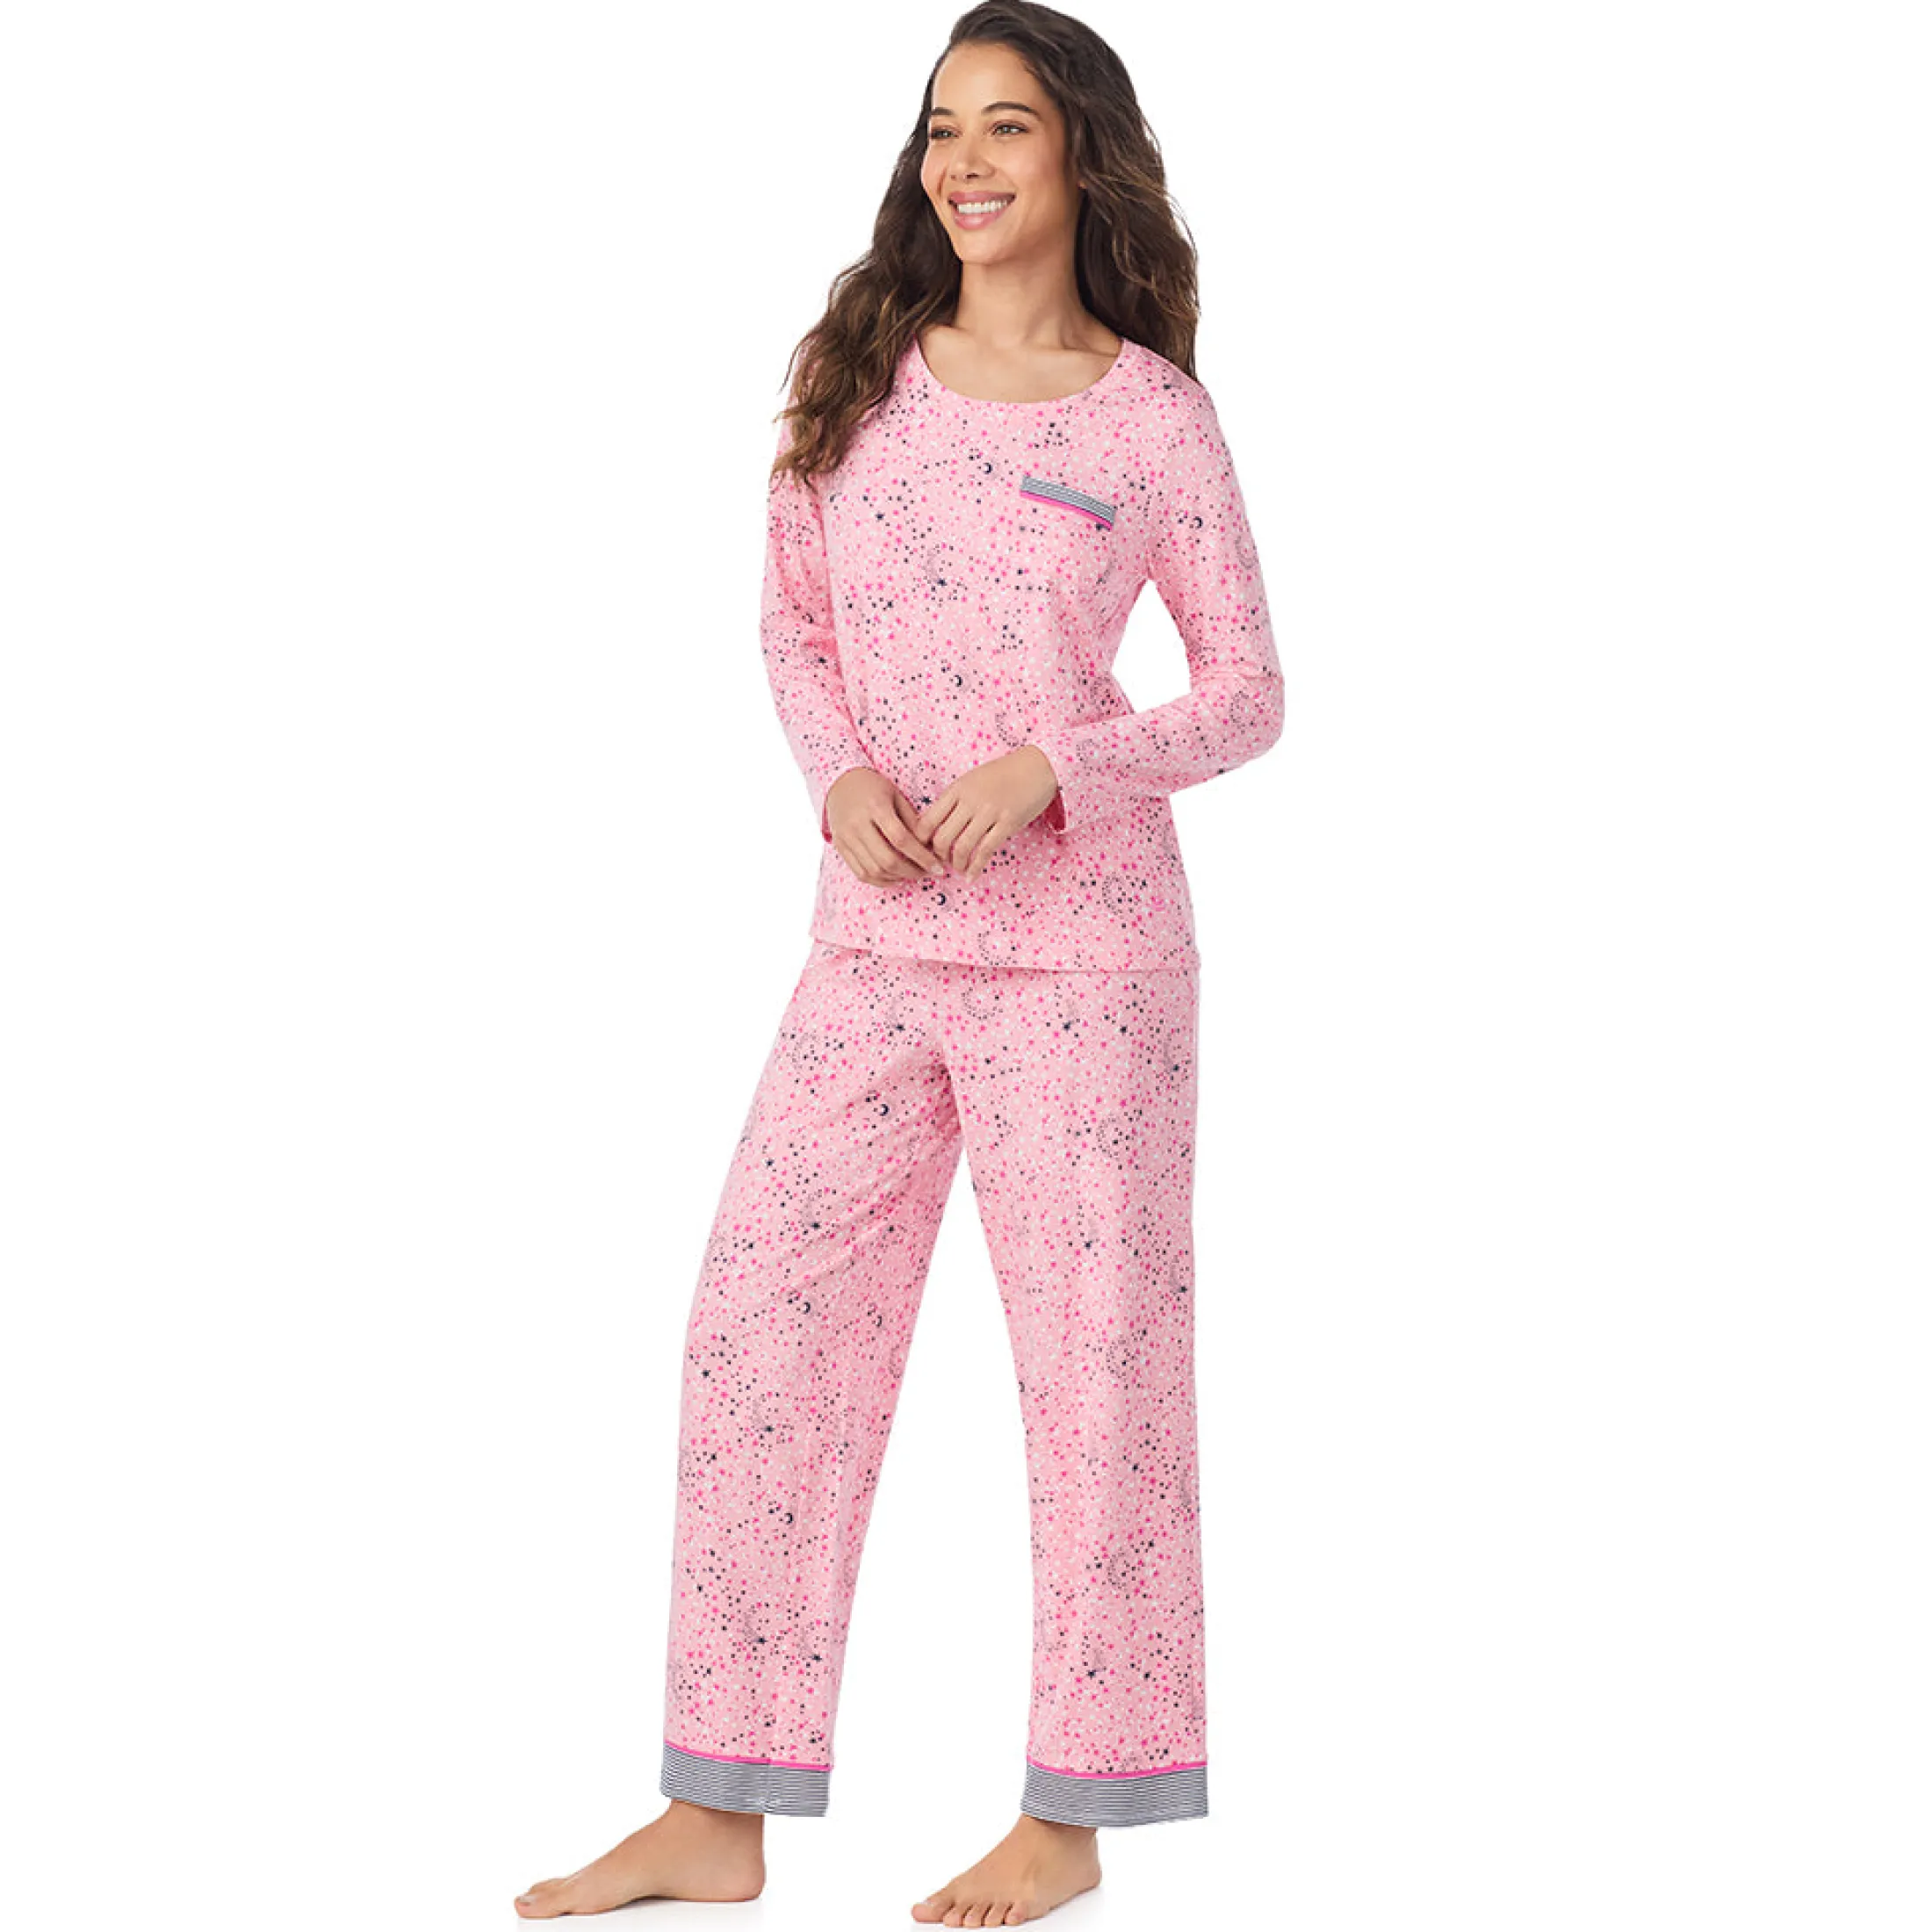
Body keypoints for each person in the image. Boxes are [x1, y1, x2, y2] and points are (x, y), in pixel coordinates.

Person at [515, 4, 1281, 1922]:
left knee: (1099, 1377)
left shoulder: (1150, 418)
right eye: (943, 126)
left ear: (1081, 154)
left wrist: (1059, 767)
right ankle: (718, 1806)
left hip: (1089, 967)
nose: (964, 161)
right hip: (871, 948)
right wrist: (839, 776)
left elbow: (1250, 691)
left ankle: (1073, 1814)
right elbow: (790, 624)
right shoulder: (855, 368)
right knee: (757, 1332)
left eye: (1006, 125)